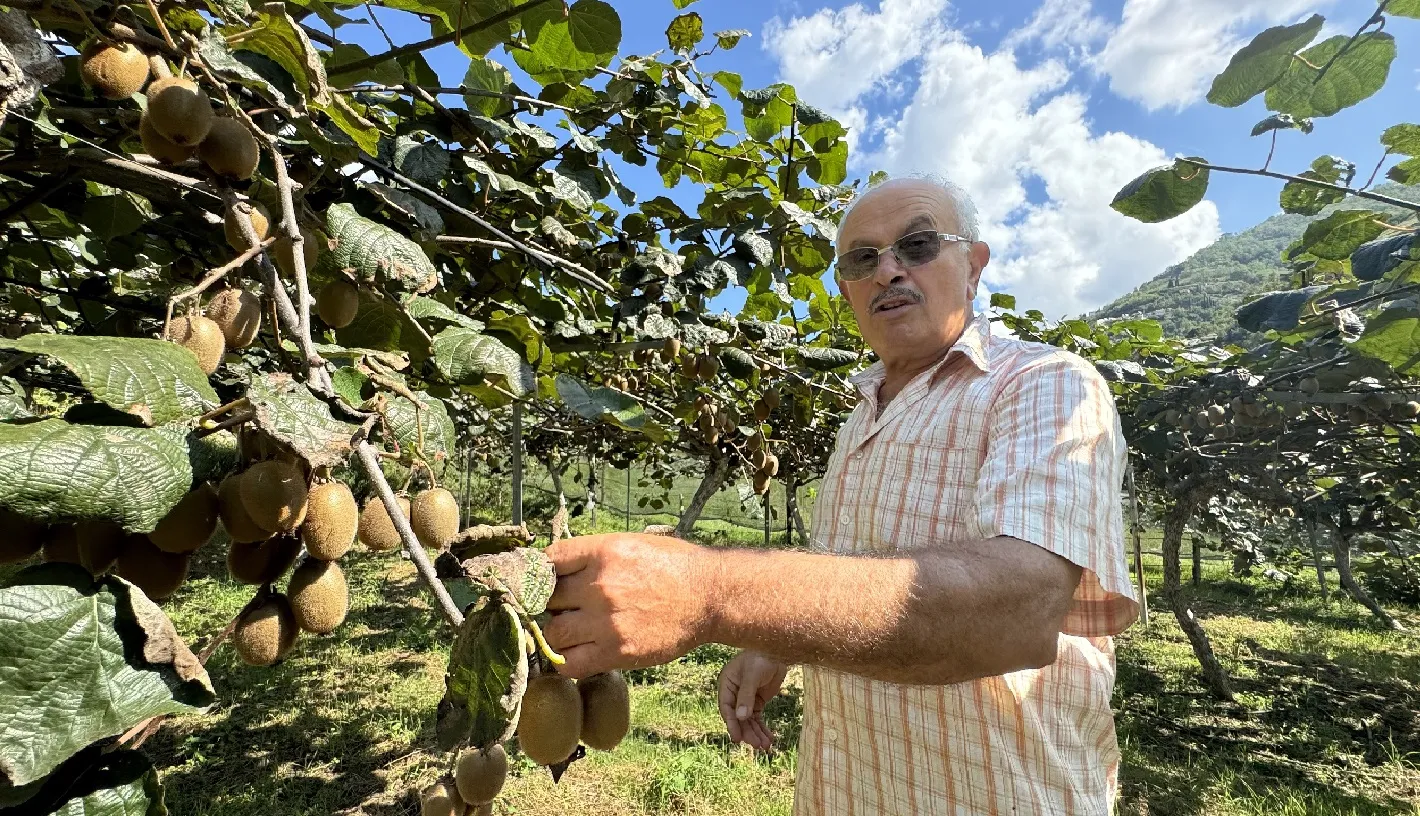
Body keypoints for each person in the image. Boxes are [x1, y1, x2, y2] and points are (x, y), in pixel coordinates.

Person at [544, 175, 1140, 815]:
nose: (887, 271)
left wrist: (710, 593)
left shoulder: (1045, 385)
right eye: (862, 258)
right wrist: (777, 641)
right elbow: (857, 570)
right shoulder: (864, 413)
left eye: (916, 245)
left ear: (973, 264)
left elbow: (1018, 612)